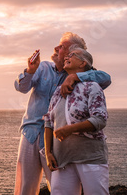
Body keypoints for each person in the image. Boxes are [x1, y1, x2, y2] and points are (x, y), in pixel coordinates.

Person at [13, 32, 111, 195]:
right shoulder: (43, 67)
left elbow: (105, 78)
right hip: (31, 134)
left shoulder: (77, 74)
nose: (56, 48)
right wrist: (30, 70)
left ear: (73, 53)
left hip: (57, 139)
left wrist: (74, 77)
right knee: (25, 188)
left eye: (62, 47)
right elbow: (21, 87)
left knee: (58, 185)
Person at [44, 48, 109, 195]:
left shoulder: (92, 86)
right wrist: (48, 153)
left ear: (82, 63)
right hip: (62, 160)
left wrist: (69, 129)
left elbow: (100, 119)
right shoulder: (58, 91)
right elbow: (48, 122)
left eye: (72, 55)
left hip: (90, 158)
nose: (67, 56)